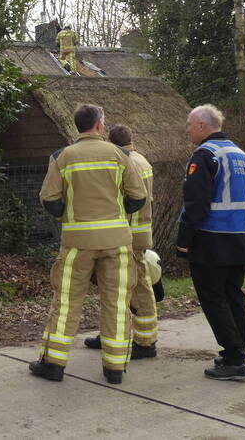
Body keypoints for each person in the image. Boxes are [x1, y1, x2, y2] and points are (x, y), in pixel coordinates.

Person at [30, 104, 147, 385]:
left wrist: (68, 213)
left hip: (77, 244)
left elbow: (49, 199)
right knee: (117, 303)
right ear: (100, 125)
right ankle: (115, 369)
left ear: (78, 126)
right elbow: (138, 196)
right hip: (117, 243)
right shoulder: (120, 155)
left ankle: (54, 364)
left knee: (67, 302)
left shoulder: (62, 157)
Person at [177, 104, 245, 381]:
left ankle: (235, 358)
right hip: (239, 239)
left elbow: (195, 204)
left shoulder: (205, 154)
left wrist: (183, 241)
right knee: (234, 294)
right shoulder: (240, 155)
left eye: (189, 125)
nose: (187, 130)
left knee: (213, 299)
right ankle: (238, 349)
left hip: (212, 241)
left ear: (201, 126)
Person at [84, 124, 158, 359]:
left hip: (125, 235)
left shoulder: (124, 163)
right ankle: (129, 336)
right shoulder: (142, 160)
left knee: (124, 289)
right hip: (140, 233)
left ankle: (143, 342)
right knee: (136, 287)